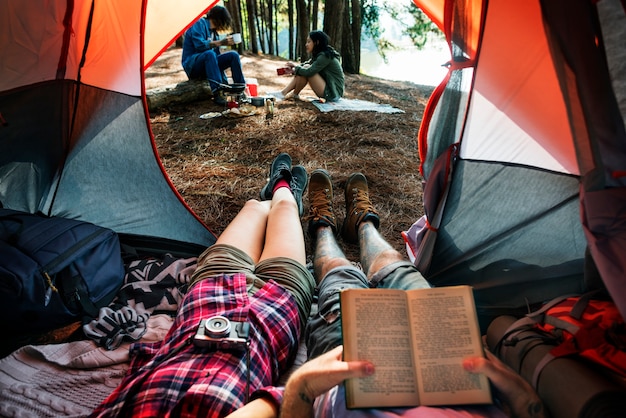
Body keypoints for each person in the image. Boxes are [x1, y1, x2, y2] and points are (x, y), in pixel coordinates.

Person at [227, 169, 547, 418]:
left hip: (345, 371)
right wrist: (510, 384)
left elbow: (295, 400)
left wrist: (302, 385)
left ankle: (322, 223)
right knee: (395, 267)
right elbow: (529, 409)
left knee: (339, 269)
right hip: (448, 364)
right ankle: (363, 221)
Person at [90, 153, 314, 417]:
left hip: (209, 299)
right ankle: (285, 192)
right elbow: (285, 401)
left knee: (255, 206)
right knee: (285, 210)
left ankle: (276, 189)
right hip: (273, 314)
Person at [181, 5, 245, 106]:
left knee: (233, 55)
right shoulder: (199, 23)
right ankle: (217, 93)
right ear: (219, 19)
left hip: (208, 65)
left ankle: (240, 90)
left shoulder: (214, 33)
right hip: (193, 66)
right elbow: (199, 45)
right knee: (209, 54)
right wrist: (220, 42)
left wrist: (225, 83)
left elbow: (216, 62)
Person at [268, 30, 344, 102]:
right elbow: (306, 64)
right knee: (304, 68)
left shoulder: (325, 56)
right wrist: (294, 67)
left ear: (316, 42)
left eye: (309, 42)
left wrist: (295, 70)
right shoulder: (320, 54)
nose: (306, 44)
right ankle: (286, 94)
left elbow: (309, 71)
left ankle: (286, 93)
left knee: (306, 69)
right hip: (328, 89)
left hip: (333, 93)